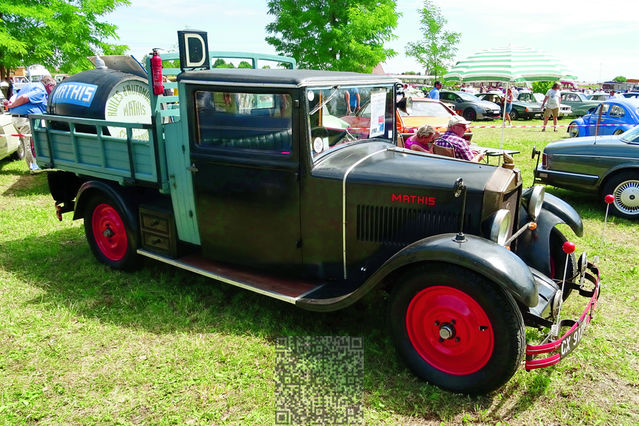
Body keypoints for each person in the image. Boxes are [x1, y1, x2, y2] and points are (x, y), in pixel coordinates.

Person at [5, 75, 56, 171]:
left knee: (28, 143)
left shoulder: (31, 85)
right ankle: (34, 167)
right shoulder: (40, 90)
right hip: (25, 119)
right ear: (49, 85)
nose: (53, 90)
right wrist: (12, 105)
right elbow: (24, 98)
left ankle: (35, 164)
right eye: (53, 87)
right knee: (30, 143)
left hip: (18, 118)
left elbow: (17, 96)